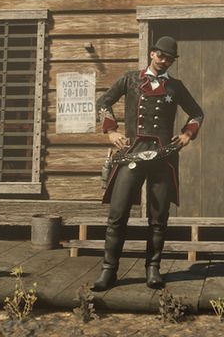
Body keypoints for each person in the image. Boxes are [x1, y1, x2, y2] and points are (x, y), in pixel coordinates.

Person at [93, 36, 204, 291]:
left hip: (163, 157)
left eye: (170, 59)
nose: (164, 61)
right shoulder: (131, 79)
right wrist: (111, 131)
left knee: (158, 218)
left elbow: (197, 113)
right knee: (117, 214)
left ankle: (153, 269)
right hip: (132, 154)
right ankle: (108, 271)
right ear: (152, 54)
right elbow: (104, 102)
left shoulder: (176, 86)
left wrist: (187, 134)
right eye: (161, 56)